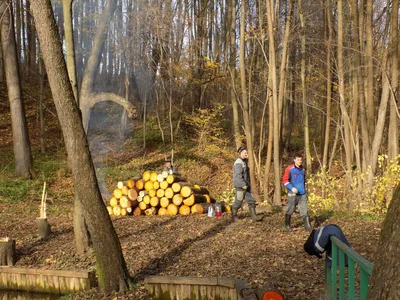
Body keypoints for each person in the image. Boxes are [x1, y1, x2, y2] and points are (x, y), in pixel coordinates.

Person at [232, 146, 263, 222]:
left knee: (251, 201)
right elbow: (238, 176)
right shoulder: (238, 163)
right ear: (241, 153)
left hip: (246, 186)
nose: (246, 154)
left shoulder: (244, 161)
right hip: (240, 186)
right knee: (238, 202)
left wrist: (247, 185)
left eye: (247, 153)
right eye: (245, 153)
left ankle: (254, 217)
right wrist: (243, 184)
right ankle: (234, 216)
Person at [282, 154, 312, 231]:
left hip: (302, 193)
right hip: (293, 193)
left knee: (304, 209)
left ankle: (308, 226)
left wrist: (305, 190)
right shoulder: (290, 169)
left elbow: (304, 180)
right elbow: (285, 180)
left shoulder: (303, 170)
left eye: (301, 160)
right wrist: (292, 188)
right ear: (294, 160)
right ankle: (287, 225)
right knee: (291, 209)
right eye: (298, 160)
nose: (300, 161)